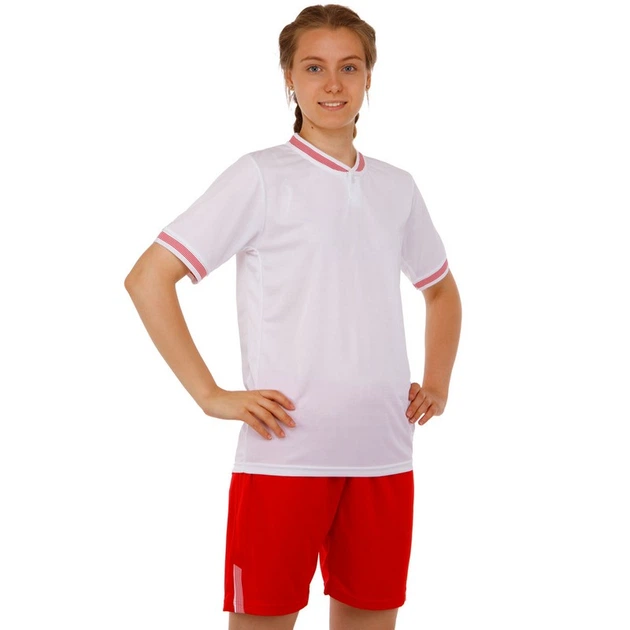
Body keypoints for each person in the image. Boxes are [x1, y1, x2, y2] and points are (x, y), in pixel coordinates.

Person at [124, 4, 462, 630]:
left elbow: (441, 292)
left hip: (383, 453)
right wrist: (209, 394)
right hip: (285, 455)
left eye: (349, 67)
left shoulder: (397, 187)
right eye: (314, 67)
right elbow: (148, 278)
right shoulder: (260, 176)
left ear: (369, 76)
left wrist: (437, 383)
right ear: (288, 77)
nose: (333, 83)